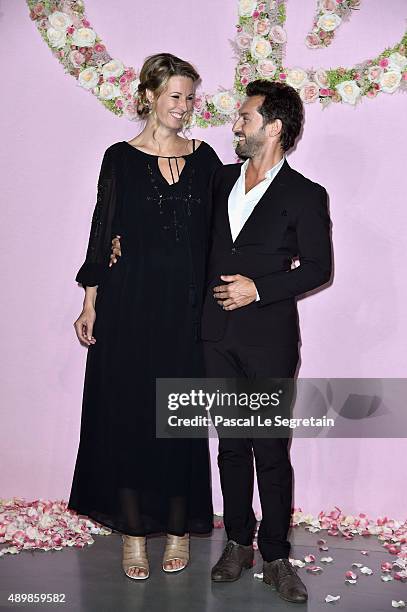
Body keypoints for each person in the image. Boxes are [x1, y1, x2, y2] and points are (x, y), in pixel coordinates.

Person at [69, 53, 222, 580]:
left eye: (189, 97)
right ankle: (134, 537)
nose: (184, 107)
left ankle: (178, 530)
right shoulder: (119, 158)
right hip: (129, 308)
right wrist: (91, 302)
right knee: (131, 418)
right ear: (149, 98)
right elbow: (101, 230)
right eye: (175, 96)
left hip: (185, 312)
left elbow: (220, 236)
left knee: (178, 419)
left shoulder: (206, 159)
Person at [200, 80, 332, 603]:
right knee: (231, 446)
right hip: (214, 336)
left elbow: (320, 268)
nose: (236, 124)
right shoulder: (217, 181)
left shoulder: (305, 194)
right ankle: (237, 542)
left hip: (269, 340)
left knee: (270, 450)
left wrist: (260, 289)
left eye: (246, 117)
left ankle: (276, 554)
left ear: (274, 126)